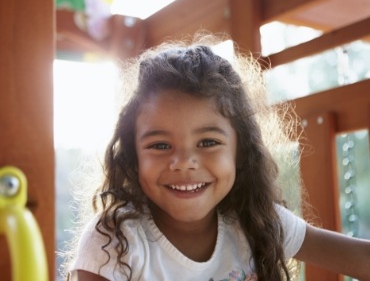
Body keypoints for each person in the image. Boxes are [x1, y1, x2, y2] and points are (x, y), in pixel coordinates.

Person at [65, 33, 370, 281]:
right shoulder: (114, 241)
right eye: (160, 145)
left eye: (208, 142)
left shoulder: (255, 221)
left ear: (241, 153)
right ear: (133, 158)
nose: (184, 161)